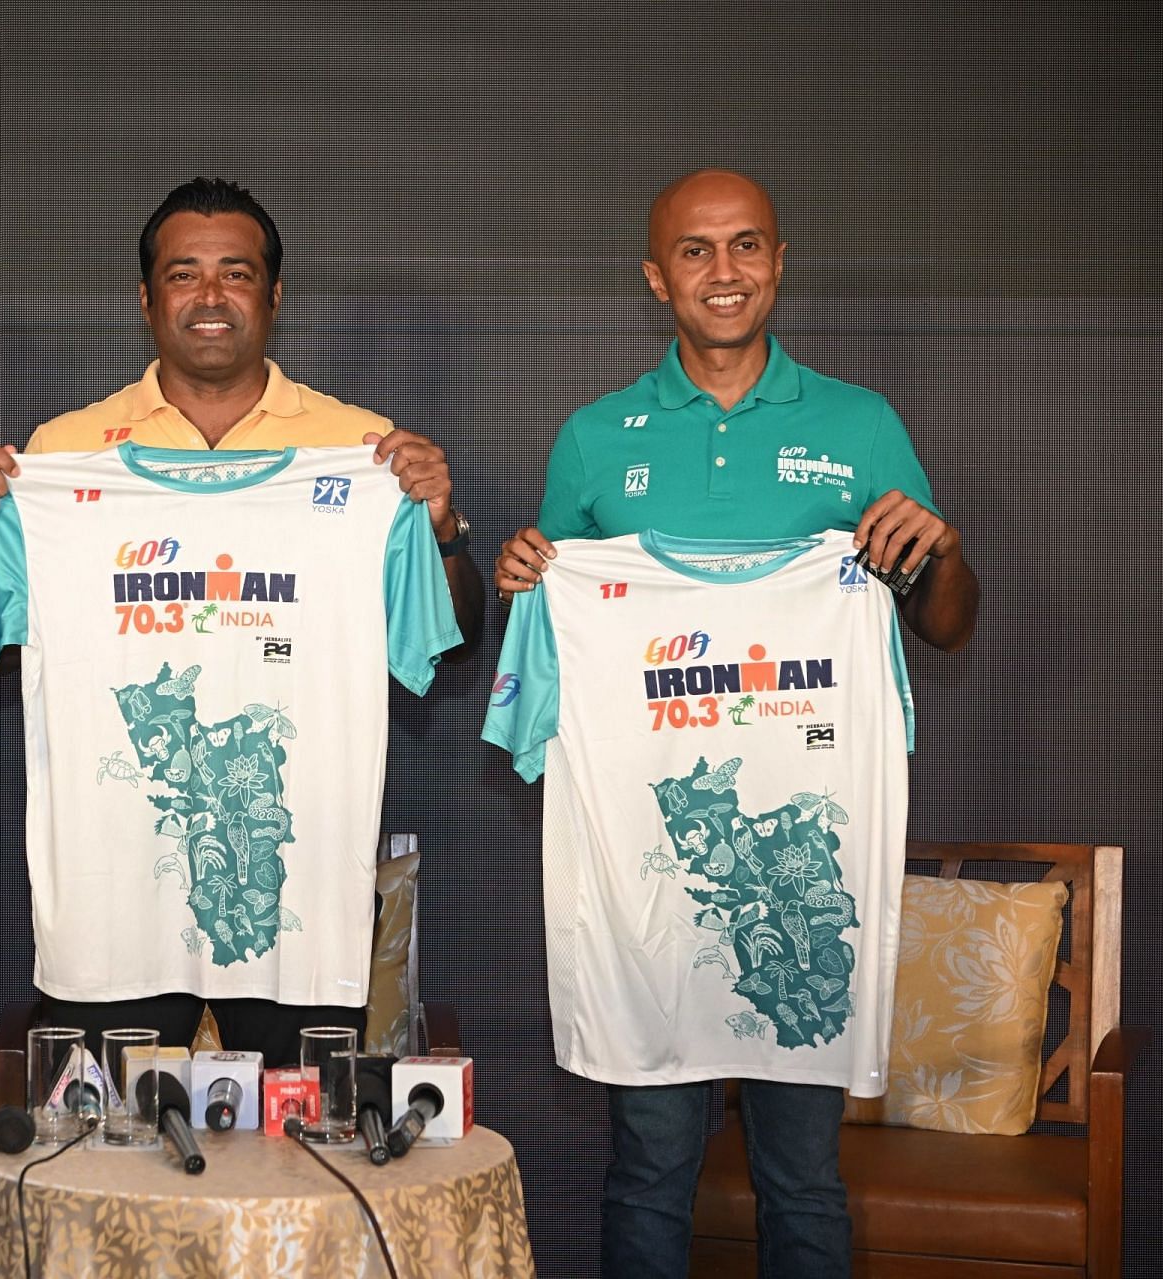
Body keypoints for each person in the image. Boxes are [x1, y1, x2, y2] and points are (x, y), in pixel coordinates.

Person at [494, 169, 979, 1277]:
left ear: (779, 261)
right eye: (699, 252)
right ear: (656, 276)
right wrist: (531, 579)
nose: (726, 272)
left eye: (747, 247)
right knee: (650, 1172)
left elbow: (946, 628)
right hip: (655, 890)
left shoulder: (858, 425)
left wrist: (941, 552)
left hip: (806, 875)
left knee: (803, 1182)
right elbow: (547, 628)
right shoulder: (594, 439)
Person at [0, 177, 482, 1065]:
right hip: (112, 914)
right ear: (147, 297)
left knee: (307, 1175)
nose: (208, 296)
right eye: (183, 274)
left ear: (273, 296)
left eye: (235, 274)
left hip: (295, 913)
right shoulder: (60, 456)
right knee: (98, 1171)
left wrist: (438, 528)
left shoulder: (363, 452)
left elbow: (443, 635)